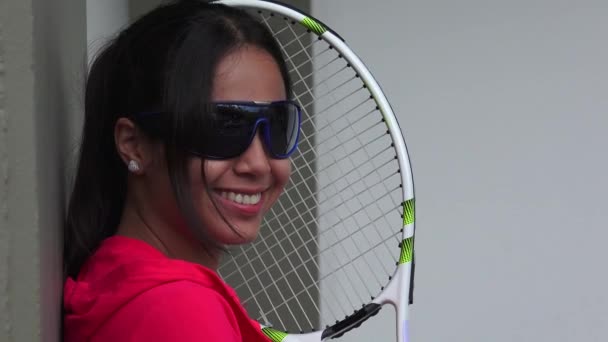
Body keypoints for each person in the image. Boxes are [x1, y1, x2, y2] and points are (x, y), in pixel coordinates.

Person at [62, 1, 300, 341]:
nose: (259, 164)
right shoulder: (180, 310)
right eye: (223, 127)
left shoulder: (119, 280)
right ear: (133, 144)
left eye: (277, 126)